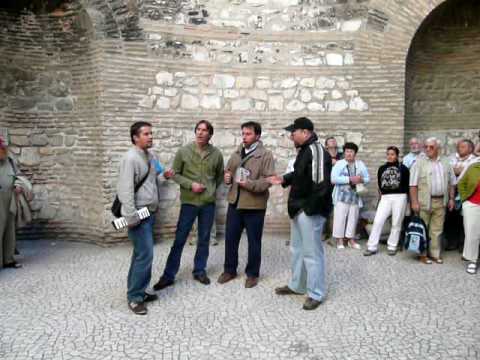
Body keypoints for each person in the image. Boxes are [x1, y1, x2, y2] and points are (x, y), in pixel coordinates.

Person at [267, 117, 333, 311]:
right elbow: (300, 175)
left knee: (312, 253)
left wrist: (308, 210)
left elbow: (322, 185)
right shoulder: (304, 151)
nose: (291, 136)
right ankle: (298, 285)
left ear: (305, 132)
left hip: (309, 211)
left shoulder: (316, 150)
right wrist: (284, 178)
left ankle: (316, 293)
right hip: (298, 209)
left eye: (293, 132)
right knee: (297, 249)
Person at [154, 120, 224, 290]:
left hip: (207, 204)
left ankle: (199, 270)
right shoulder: (183, 152)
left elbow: (219, 176)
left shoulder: (216, 154)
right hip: (189, 203)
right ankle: (168, 275)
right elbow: (175, 174)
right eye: (198, 130)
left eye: (204, 130)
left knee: (204, 239)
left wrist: (210, 191)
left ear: (210, 134)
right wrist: (190, 184)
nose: (200, 133)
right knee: (179, 239)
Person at [116, 121, 173, 315]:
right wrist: (131, 216)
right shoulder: (130, 158)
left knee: (141, 254)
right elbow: (126, 190)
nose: (150, 137)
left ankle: (138, 291)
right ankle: (134, 298)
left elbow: (153, 180)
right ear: (135, 137)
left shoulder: (150, 156)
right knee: (145, 254)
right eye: (146, 134)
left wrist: (164, 175)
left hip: (149, 213)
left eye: (151, 133)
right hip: (138, 215)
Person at [217, 121, 275, 288]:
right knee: (230, 239)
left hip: (255, 206)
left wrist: (248, 184)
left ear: (257, 136)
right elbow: (228, 171)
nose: (244, 136)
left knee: (254, 241)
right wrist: (227, 177)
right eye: (243, 133)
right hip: (235, 203)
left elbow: (269, 180)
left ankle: (252, 274)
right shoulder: (237, 152)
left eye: (248, 134)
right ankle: (229, 270)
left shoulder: (266, 155)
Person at [409, 137, 456, 264]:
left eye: (431, 147)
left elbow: (452, 183)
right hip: (424, 201)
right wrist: (414, 202)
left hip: (441, 201)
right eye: (426, 147)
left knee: (437, 230)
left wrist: (451, 198)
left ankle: (434, 254)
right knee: (422, 228)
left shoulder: (446, 162)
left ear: (438, 148)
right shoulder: (418, 163)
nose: (428, 149)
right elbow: (413, 184)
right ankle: (422, 254)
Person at [364, 146, 409, 256]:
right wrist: (382, 197)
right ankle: (372, 246)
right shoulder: (382, 168)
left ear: (397, 156)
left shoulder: (403, 168)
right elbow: (380, 185)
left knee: (396, 222)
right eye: (388, 154)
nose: (390, 156)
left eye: (392, 154)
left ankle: (392, 246)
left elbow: (407, 184)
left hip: (400, 196)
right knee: (378, 220)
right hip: (385, 197)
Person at [331, 142, 370, 250]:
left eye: (351, 151)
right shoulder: (339, 163)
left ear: (355, 153)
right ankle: (339, 240)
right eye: (347, 151)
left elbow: (367, 178)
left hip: (355, 196)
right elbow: (333, 179)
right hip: (341, 196)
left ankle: (350, 240)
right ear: (344, 153)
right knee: (340, 218)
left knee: (353, 218)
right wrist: (349, 179)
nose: (349, 153)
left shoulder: (360, 164)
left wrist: (361, 180)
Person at [0, 136, 31, 270]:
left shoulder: (10, 161)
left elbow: (19, 176)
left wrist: (18, 185)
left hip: (10, 200)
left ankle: (8, 259)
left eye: (2, 149)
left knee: (9, 230)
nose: (2, 151)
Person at [444, 139, 476, 251]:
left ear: (470, 148)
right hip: (452, 191)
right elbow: (448, 171)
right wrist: (460, 170)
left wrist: (458, 170)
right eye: (459, 146)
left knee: (466, 218)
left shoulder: (474, 160)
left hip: (468, 192)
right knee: (451, 217)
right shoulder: (453, 158)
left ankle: (463, 244)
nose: (459, 148)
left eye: (463, 146)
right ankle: (452, 242)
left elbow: (468, 173)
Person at [457, 157, 480, 274]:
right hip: (473, 204)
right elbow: (461, 182)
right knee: (472, 233)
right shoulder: (473, 166)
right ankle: (472, 260)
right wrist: (465, 200)